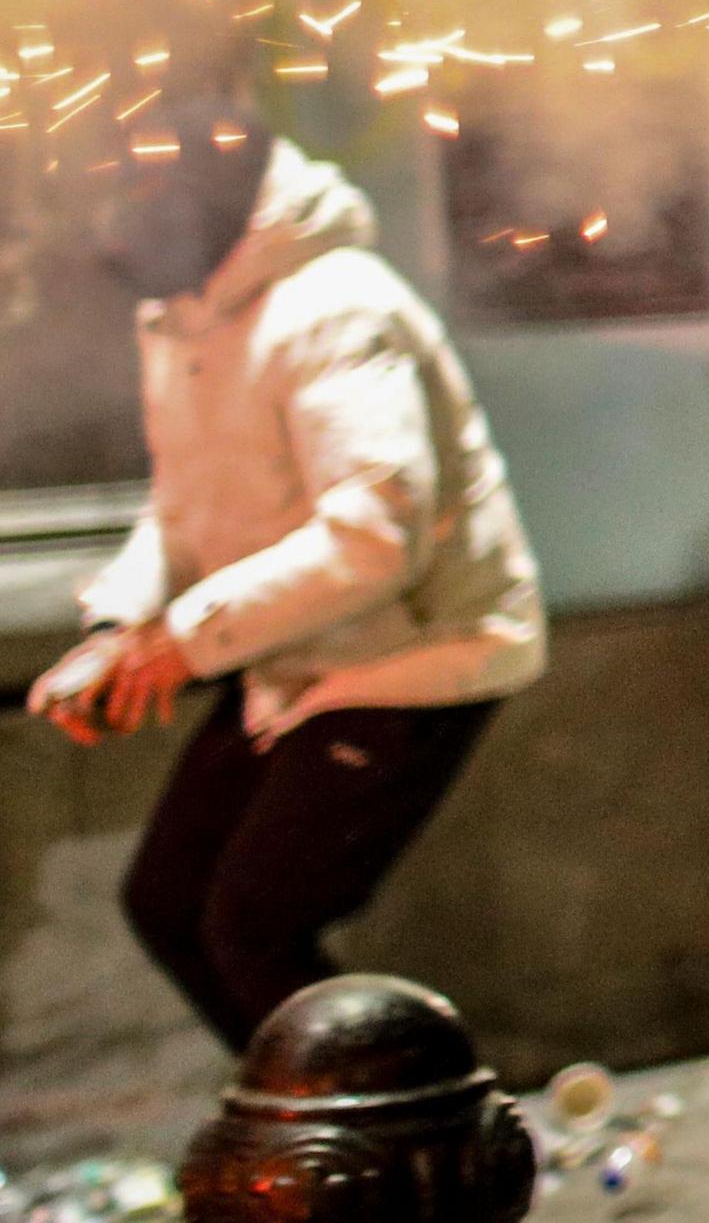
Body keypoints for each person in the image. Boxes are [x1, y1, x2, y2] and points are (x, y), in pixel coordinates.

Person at [26, 95, 545, 1048]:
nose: (113, 227)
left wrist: (181, 645)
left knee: (254, 929)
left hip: (418, 657)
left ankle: (402, 1139)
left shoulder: (334, 305)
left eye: (131, 195)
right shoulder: (180, 317)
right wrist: (119, 629)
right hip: (294, 652)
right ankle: (302, 1135)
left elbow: (374, 536)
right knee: (168, 903)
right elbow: (182, 506)